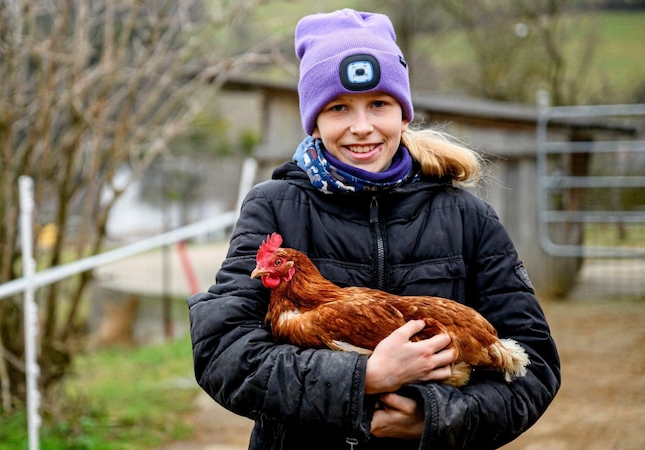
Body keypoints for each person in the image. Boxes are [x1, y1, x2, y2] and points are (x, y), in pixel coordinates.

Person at [187, 9, 560, 450]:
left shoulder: (468, 217)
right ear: (315, 120)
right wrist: (362, 378)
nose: (361, 127)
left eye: (378, 104)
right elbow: (224, 353)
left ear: (403, 114)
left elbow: (532, 364)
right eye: (338, 107)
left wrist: (437, 418)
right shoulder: (274, 207)